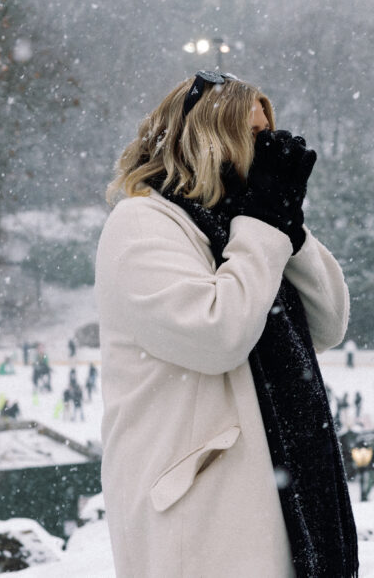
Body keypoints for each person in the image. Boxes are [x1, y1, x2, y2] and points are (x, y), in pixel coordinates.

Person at [96, 71, 357, 578]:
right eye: (255, 137)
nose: (270, 151)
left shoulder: (245, 225)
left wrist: (286, 222)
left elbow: (328, 322)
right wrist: (262, 224)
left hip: (278, 497)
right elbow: (218, 336)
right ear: (209, 137)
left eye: (270, 134)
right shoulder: (142, 224)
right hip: (199, 516)